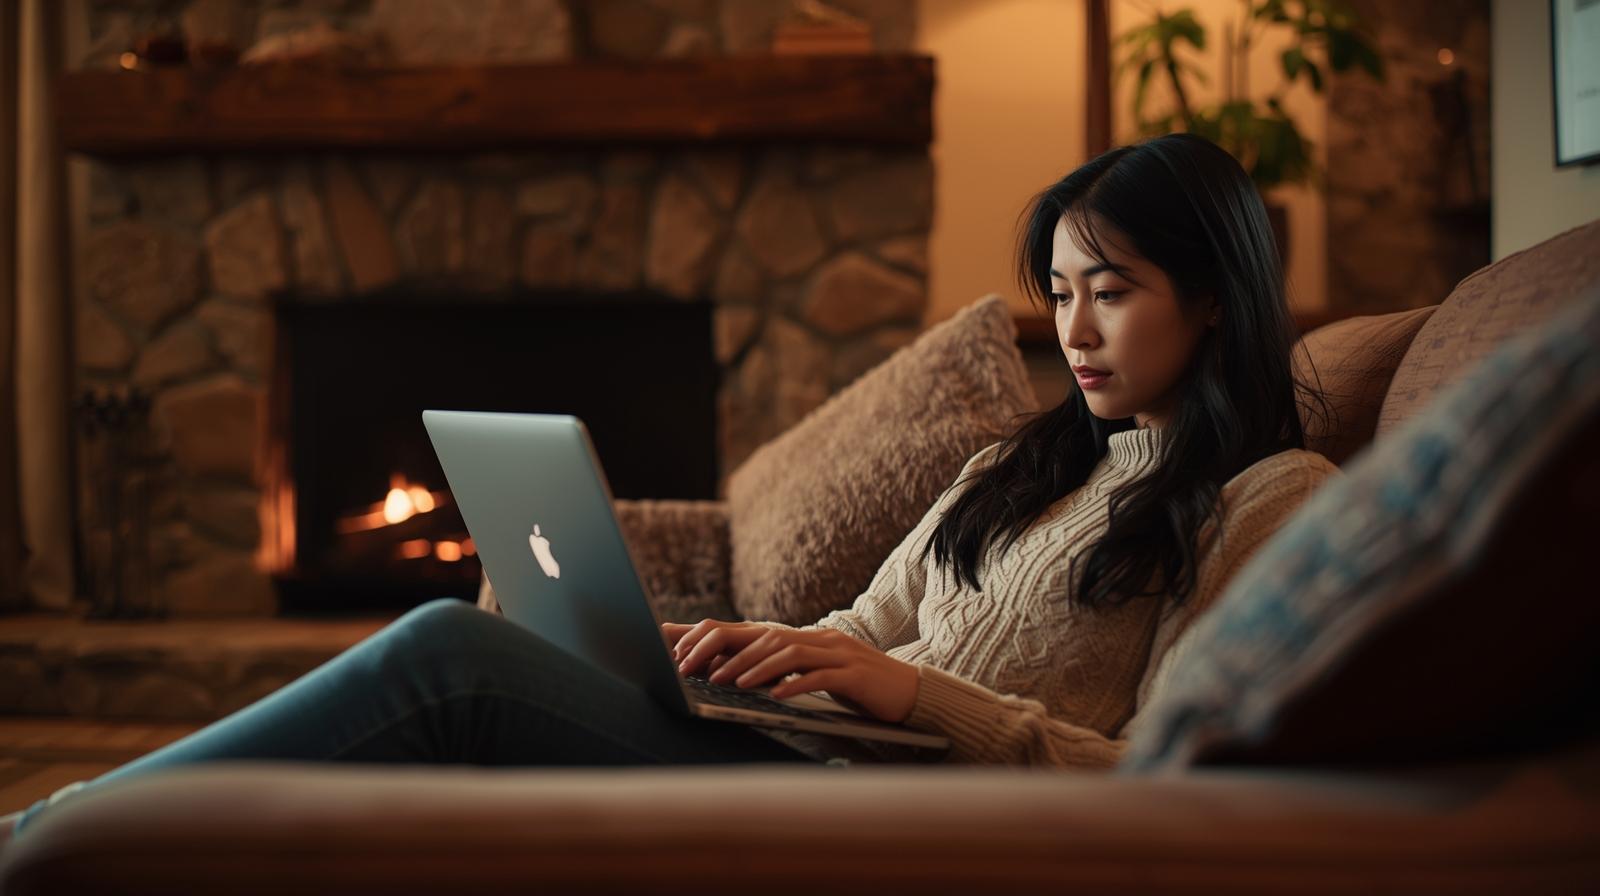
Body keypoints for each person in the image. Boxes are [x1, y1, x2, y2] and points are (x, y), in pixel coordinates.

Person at [2, 132, 1336, 846]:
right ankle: (95, 846)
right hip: (814, 754)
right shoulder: (1023, 464)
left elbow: (1167, 779)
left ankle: (61, 839)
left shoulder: (1271, 501)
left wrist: (920, 697)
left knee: (450, 658)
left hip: (902, 817)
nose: (1078, 328)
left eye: (1113, 291)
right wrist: (779, 656)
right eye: (1059, 292)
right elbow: (869, 630)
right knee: (480, 658)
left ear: (1214, 302)